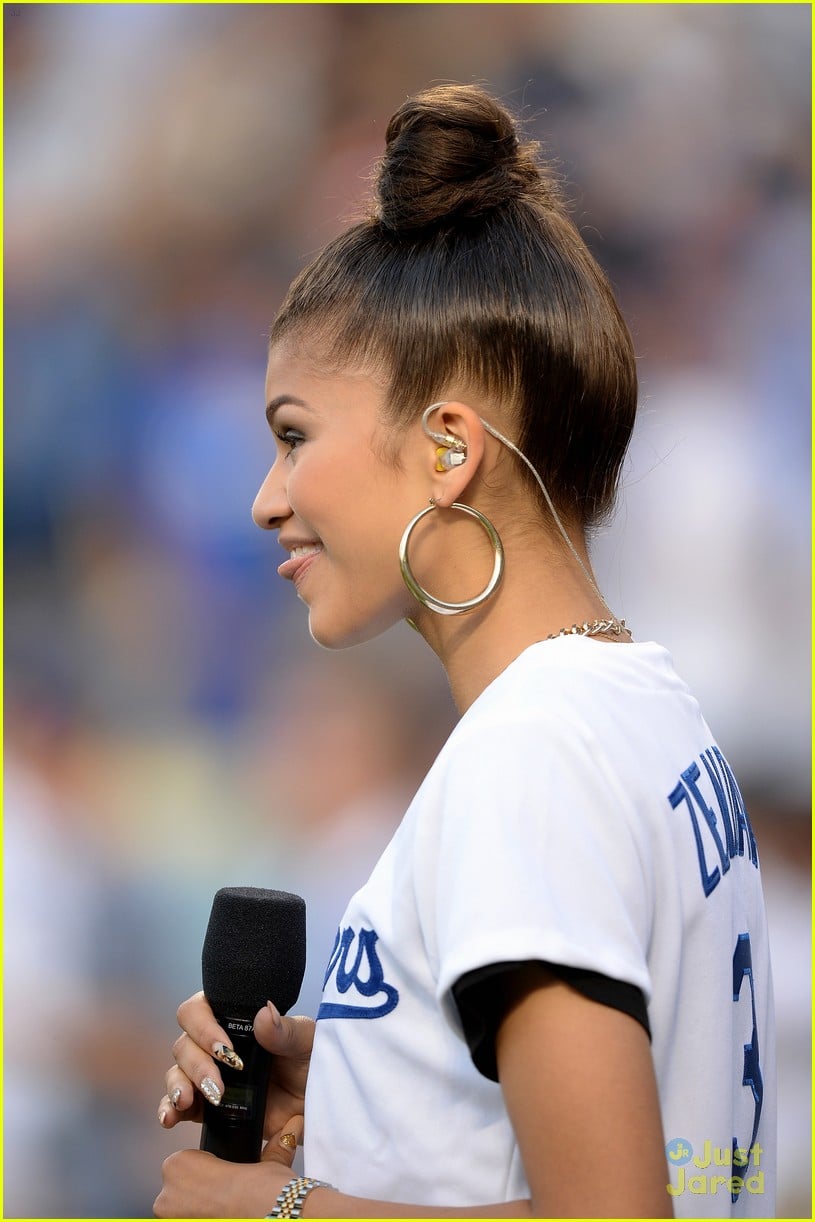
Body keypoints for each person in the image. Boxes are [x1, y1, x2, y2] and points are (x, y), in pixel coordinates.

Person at [154, 84, 775, 1219]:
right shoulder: (638, 704)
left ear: (447, 447)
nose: (264, 500)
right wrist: (360, 1100)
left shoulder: (530, 752)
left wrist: (275, 1213)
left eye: (293, 436)